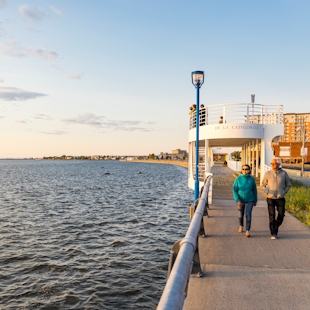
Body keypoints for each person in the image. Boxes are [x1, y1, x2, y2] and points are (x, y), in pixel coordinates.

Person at [261, 157, 291, 240]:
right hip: (270, 197)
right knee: (272, 215)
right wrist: (267, 191)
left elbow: (288, 184)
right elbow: (263, 185)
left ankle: (275, 226)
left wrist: (284, 191)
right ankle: (274, 233)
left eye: (275, 163)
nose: (273, 165)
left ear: (279, 164)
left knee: (281, 214)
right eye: (272, 164)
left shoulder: (284, 173)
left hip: (280, 197)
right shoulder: (268, 173)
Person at [233, 164, 257, 237]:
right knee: (240, 215)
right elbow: (234, 190)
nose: (244, 170)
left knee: (248, 214)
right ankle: (241, 225)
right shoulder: (238, 179)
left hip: (250, 199)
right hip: (240, 200)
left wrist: (255, 200)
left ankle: (247, 230)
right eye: (243, 169)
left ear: (249, 170)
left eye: (246, 169)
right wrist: (237, 199)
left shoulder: (252, 179)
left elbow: (254, 190)